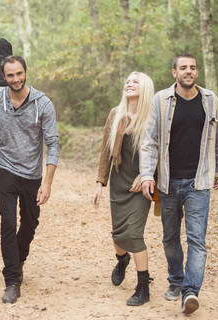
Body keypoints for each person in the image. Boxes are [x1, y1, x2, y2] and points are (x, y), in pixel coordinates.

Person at [139, 54, 218, 315]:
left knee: (197, 239)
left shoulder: (210, 100)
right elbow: (150, 141)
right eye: (183, 68)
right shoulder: (161, 100)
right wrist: (145, 175)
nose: (189, 71)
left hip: (199, 182)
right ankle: (176, 281)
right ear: (174, 72)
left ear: (196, 72)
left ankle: (190, 291)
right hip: (167, 182)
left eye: (193, 68)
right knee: (170, 237)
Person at [0, 55, 59, 304]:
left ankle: (18, 258)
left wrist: (48, 182)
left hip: (32, 173)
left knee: (30, 223)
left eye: (19, 73)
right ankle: (12, 280)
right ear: (4, 77)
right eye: (10, 75)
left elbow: (53, 143)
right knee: (8, 223)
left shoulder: (42, 103)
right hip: (5, 169)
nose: (15, 79)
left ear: (25, 72)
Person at [91, 71, 158, 306]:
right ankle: (122, 260)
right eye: (127, 81)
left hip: (141, 185)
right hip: (119, 182)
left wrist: (147, 173)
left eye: (135, 81)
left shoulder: (152, 115)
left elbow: (162, 150)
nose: (129, 84)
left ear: (145, 88)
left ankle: (142, 287)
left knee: (133, 233)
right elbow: (105, 151)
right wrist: (100, 183)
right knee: (118, 233)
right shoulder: (115, 114)